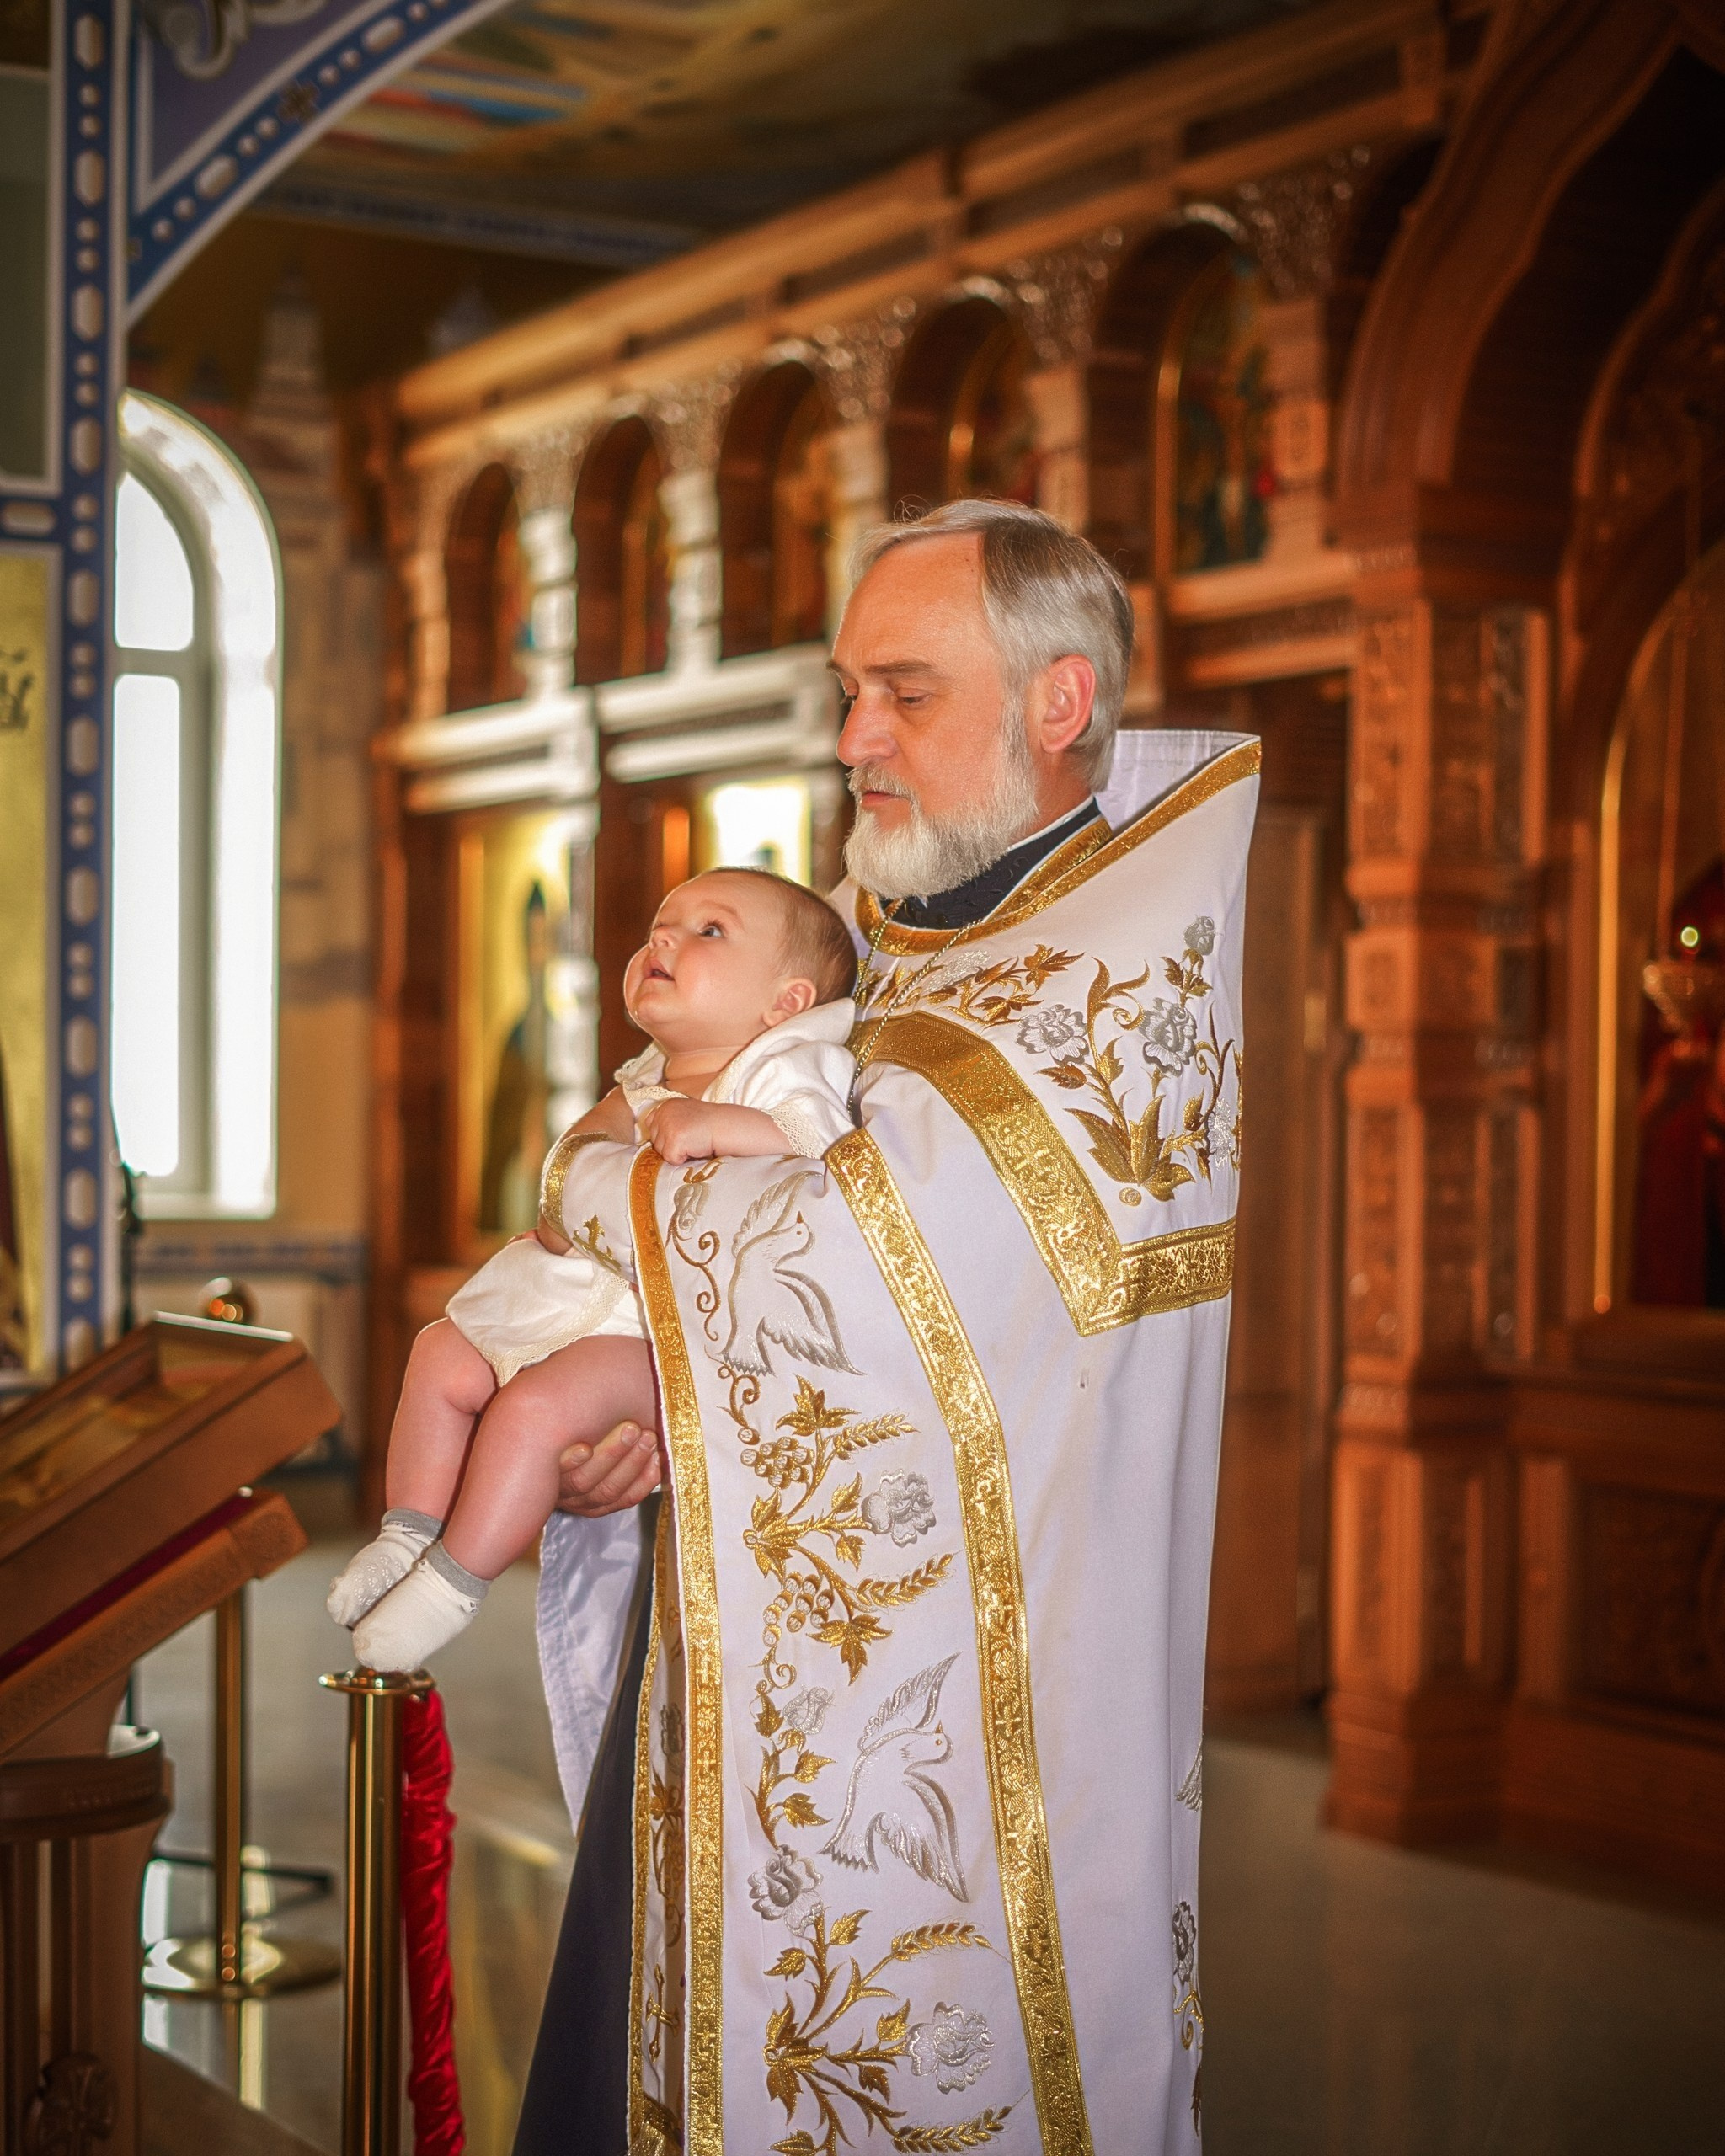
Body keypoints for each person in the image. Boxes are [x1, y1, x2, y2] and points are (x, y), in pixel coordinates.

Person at [517, 499, 1258, 2155]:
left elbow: (869, 1269)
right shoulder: (932, 941)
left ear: (1056, 703)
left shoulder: (1112, 972)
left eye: (903, 692)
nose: (854, 737)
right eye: (851, 690)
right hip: (753, 1621)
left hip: (967, 1720)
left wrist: (622, 1202)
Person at [328, 867, 858, 1671]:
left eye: (708, 931)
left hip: (651, 1335)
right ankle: (407, 1531)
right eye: (661, 924)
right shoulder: (645, 1073)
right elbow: (570, 1168)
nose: (664, 939)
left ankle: (451, 1583)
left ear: (784, 1004)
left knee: (535, 1411)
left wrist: (722, 1123)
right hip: (571, 1295)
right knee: (440, 1351)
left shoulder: (788, 1067)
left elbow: (820, 1151)